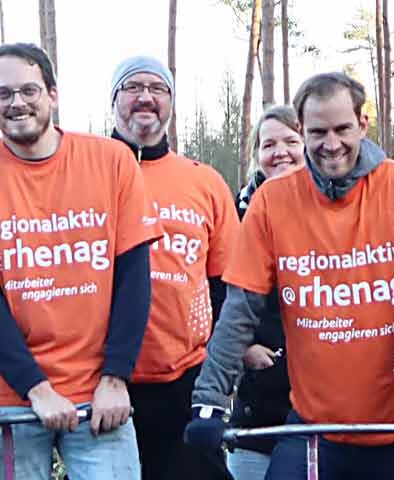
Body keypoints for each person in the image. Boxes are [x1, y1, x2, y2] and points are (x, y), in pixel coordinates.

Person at [184, 71, 394, 479]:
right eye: (318, 132)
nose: (332, 145)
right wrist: (208, 400)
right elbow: (241, 307)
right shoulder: (273, 201)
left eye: (343, 129)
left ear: (363, 124)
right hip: (315, 424)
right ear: (301, 130)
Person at [0, 43, 159, 480]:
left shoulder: (112, 161)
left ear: (53, 95)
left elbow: (134, 276)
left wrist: (116, 376)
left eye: (29, 90)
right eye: (3, 94)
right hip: (11, 395)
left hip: (99, 393)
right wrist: (34, 388)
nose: (17, 102)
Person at [106, 56, 238, 480]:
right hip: (101, 376)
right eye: (132, 87)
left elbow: (227, 284)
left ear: (171, 103)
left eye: (158, 89)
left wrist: (218, 366)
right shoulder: (86, 172)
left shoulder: (204, 181)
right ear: (113, 101)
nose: (145, 97)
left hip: (185, 375)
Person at [225, 103, 305, 480]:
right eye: (269, 144)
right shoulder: (236, 215)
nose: (281, 153)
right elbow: (217, 292)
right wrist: (242, 348)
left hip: (323, 394)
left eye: (291, 140)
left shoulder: (338, 214)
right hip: (258, 395)